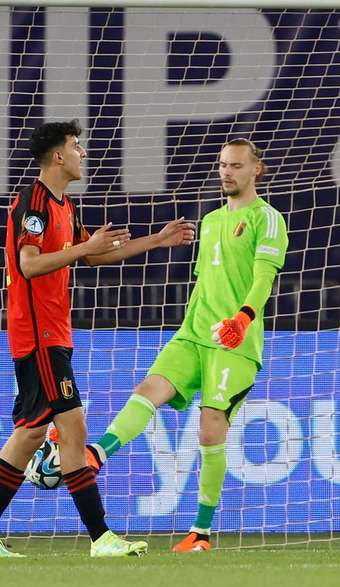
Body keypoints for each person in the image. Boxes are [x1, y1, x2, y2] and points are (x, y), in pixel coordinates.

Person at [84, 138, 288, 553]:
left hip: (235, 342)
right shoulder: (211, 221)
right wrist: (192, 327)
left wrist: (242, 319)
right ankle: (95, 456)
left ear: (256, 170)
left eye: (235, 165)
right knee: (146, 391)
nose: (226, 172)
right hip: (193, 334)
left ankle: (201, 533)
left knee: (211, 429)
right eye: (222, 165)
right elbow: (206, 283)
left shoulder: (268, 219)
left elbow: (262, 279)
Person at [0, 120, 194, 557]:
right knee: (73, 427)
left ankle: (100, 538)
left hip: (53, 335)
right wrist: (82, 249)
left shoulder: (64, 205)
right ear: (57, 156)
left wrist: (158, 240)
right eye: (75, 146)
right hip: (39, 334)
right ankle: (101, 537)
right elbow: (29, 265)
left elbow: (97, 253)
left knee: (31, 436)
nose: (82, 152)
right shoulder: (32, 203)